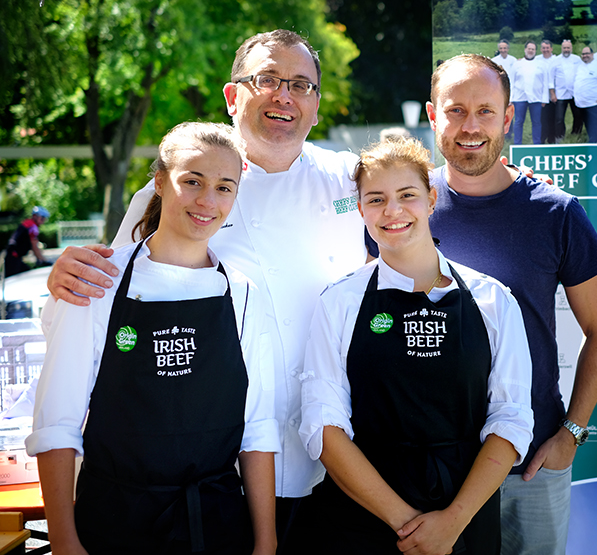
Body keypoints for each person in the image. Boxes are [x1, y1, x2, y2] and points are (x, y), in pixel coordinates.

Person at [44, 29, 368, 553]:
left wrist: (507, 177)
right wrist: (63, 281)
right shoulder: (175, 186)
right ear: (232, 95)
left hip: (339, 458)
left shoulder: (350, 180)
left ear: (316, 105)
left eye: (301, 85)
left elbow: (421, 206)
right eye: (267, 79)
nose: (284, 96)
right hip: (226, 477)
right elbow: (108, 290)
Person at [26, 122, 279, 555]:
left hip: (216, 526)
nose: (207, 201)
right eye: (192, 181)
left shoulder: (243, 295)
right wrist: (66, 544)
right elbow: (56, 425)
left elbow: (256, 431)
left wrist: (266, 542)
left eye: (224, 187)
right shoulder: (96, 282)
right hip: (112, 524)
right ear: (160, 181)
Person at [298, 137, 533, 554]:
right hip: (364, 518)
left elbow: (511, 420)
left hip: (465, 517)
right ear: (360, 210)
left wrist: (451, 523)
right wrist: (409, 525)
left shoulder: (493, 300)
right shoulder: (339, 302)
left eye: (407, 195)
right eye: (376, 199)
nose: (392, 211)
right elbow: (323, 425)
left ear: (431, 199)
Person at [426, 53, 597, 555]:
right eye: (455, 111)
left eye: (486, 111)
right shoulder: (402, 207)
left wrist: (571, 434)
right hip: (432, 464)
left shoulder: (556, 213)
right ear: (432, 115)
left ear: (508, 118)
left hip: (531, 466)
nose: (471, 127)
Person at [510, 41, 549, 145]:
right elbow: (511, 82)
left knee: (536, 122)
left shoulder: (542, 65)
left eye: (533, 49)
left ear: (535, 51)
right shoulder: (517, 64)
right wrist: (510, 99)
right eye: (529, 49)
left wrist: (544, 99)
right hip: (519, 98)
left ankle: (537, 144)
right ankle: (517, 144)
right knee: (518, 122)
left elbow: (545, 82)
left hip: (536, 98)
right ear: (525, 49)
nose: (530, 51)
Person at [573, 46, 597, 144]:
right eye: (583, 54)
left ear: (592, 54)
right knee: (588, 125)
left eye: (587, 53)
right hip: (582, 104)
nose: (585, 56)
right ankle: (593, 141)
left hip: (594, 103)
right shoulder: (580, 66)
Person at [550, 39, 583, 142]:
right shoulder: (555, 61)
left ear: (571, 48)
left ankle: (576, 133)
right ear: (561, 48)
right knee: (559, 118)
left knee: (578, 116)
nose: (566, 50)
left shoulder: (577, 59)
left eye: (568, 48)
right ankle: (559, 136)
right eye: (564, 48)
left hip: (574, 94)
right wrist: (552, 93)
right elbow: (551, 79)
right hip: (560, 94)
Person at [5, 205, 50, 277]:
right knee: (13, 280)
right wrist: (43, 260)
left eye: (44, 218)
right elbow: (34, 246)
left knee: (27, 272)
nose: (43, 221)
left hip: (14, 256)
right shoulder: (32, 227)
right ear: (35, 216)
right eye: (42, 218)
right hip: (13, 257)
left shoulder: (28, 223)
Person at [537, 40, 557, 144]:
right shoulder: (537, 59)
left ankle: (552, 139)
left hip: (555, 95)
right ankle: (542, 139)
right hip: (542, 96)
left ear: (551, 49)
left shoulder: (556, 60)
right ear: (541, 49)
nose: (546, 50)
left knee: (553, 118)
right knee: (543, 119)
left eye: (547, 48)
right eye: (544, 48)